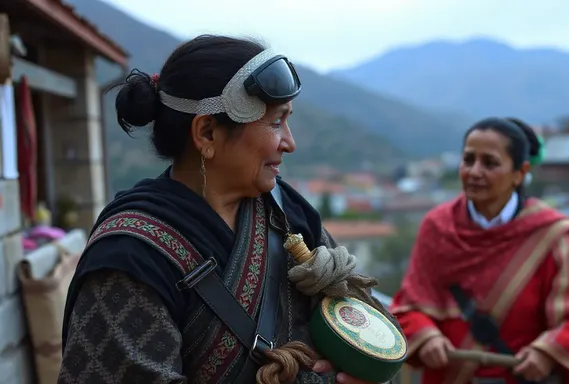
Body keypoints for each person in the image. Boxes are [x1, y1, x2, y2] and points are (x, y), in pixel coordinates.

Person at [58, 35, 388, 384]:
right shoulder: (131, 258)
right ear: (208, 133)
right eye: (276, 122)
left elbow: (367, 329)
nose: (290, 143)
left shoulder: (286, 211)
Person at [390, 117, 569, 384]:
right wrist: (427, 336)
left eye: (490, 163)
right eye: (468, 160)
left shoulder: (550, 235)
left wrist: (546, 352)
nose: (475, 171)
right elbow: (409, 305)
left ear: (520, 172)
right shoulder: (437, 226)